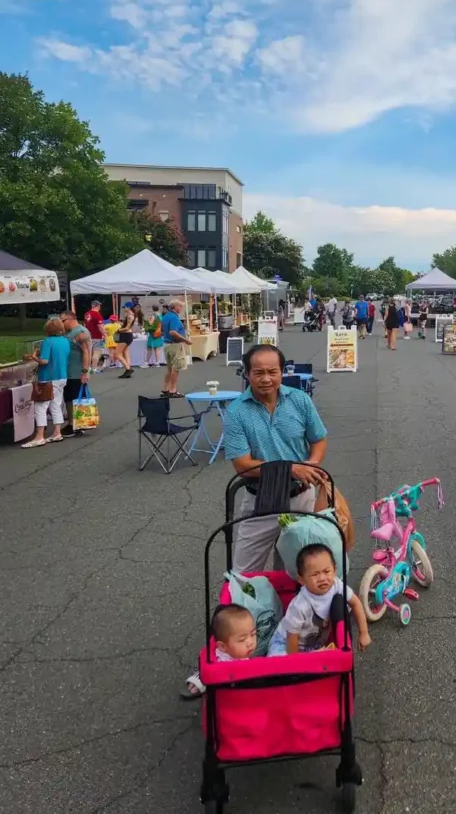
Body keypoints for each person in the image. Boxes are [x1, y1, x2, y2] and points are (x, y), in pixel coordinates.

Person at [182, 342, 329, 698]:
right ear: (247, 374)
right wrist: (287, 466)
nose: (266, 378)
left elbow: (319, 439)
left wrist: (308, 466)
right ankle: (220, 657)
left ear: (282, 372)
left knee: (299, 574)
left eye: (273, 371)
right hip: (260, 500)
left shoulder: (300, 401)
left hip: (301, 497)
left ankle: (291, 644)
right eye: (258, 372)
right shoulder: (236, 411)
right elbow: (243, 464)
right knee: (242, 579)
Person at [267, 544, 371, 655]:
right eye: (315, 574)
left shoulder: (336, 585)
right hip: (285, 643)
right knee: (281, 664)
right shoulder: (299, 605)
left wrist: (364, 633)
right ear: (302, 580)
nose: (322, 578)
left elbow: (355, 603)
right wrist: (296, 664)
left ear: (335, 570)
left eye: (326, 571)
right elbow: (291, 637)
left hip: (312, 645)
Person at [22, 318, 70, 447]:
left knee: (40, 406)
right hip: (62, 376)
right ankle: (57, 432)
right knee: (56, 404)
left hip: (48, 377)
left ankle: (39, 436)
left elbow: (44, 361)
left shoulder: (47, 341)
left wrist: (34, 357)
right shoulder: (65, 341)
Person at [60, 311, 92, 437]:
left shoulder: (81, 333)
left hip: (76, 372)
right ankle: (73, 424)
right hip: (69, 371)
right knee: (69, 398)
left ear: (69, 319)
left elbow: (86, 352)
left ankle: (76, 425)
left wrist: (84, 371)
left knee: (75, 398)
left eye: (62, 321)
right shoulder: (69, 333)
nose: (61, 324)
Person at [160, 299, 192, 399]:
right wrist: (185, 340)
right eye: (180, 306)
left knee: (169, 369)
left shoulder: (165, 316)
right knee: (176, 368)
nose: (181, 308)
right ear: (175, 307)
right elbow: (172, 332)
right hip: (175, 345)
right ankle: (173, 389)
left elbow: (162, 330)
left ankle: (165, 389)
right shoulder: (174, 318)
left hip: (167, 344)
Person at [115, 302, 136, 379]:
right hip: (127, 335)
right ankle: (128, 368)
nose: (124, 309)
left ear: (128, 308)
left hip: (126, 335)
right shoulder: (130, 315)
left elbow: (127, 328)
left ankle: (128, 368)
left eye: (125, 307)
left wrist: (119, 330)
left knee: (117, 354)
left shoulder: (130, 316)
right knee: (125, 352)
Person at [83, 300, 105, 371]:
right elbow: (100, 327)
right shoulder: (97, 314)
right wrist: (105, 335)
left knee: (89, 352)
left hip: (88, 336)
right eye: (99, 306)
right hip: (96, 336)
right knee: (96, 352)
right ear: (97, 306)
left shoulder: (86, 314)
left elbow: (84, 325)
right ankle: (94, 368)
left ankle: (88, 367)